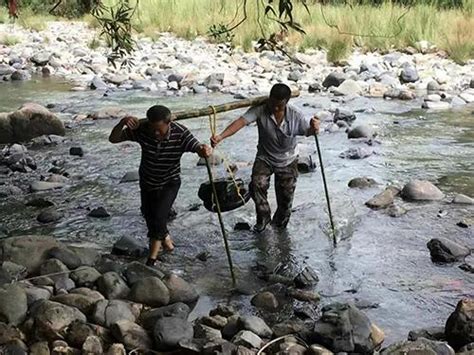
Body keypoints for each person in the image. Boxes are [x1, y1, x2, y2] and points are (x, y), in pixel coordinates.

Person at [109, 105, 213, 266]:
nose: (156, 133)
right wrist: (122, 122)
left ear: (169, 123)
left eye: (160, 130)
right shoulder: (142, 129)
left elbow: (197, 148)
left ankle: (151, 260)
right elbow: (113, 139)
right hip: (147, 181)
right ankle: (168, 244)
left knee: (158, 218)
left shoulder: (181, 133)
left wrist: (204, 150)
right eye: (153, 130)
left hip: (169, 183)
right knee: (148, 215)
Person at [211, 83, 320, 232]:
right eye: (273, 104)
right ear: (269, 99)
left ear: (286, 102)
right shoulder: (261, 109)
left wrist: (314, 128)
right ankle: (263, 222)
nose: (275, 109)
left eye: (279, 106)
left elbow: (308, 131)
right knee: (257, 186)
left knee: (286, 201)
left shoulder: (296, 115)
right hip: (265, 157)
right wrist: (221, 136)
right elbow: (241, 122)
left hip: (288, 159)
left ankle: (279, 230)